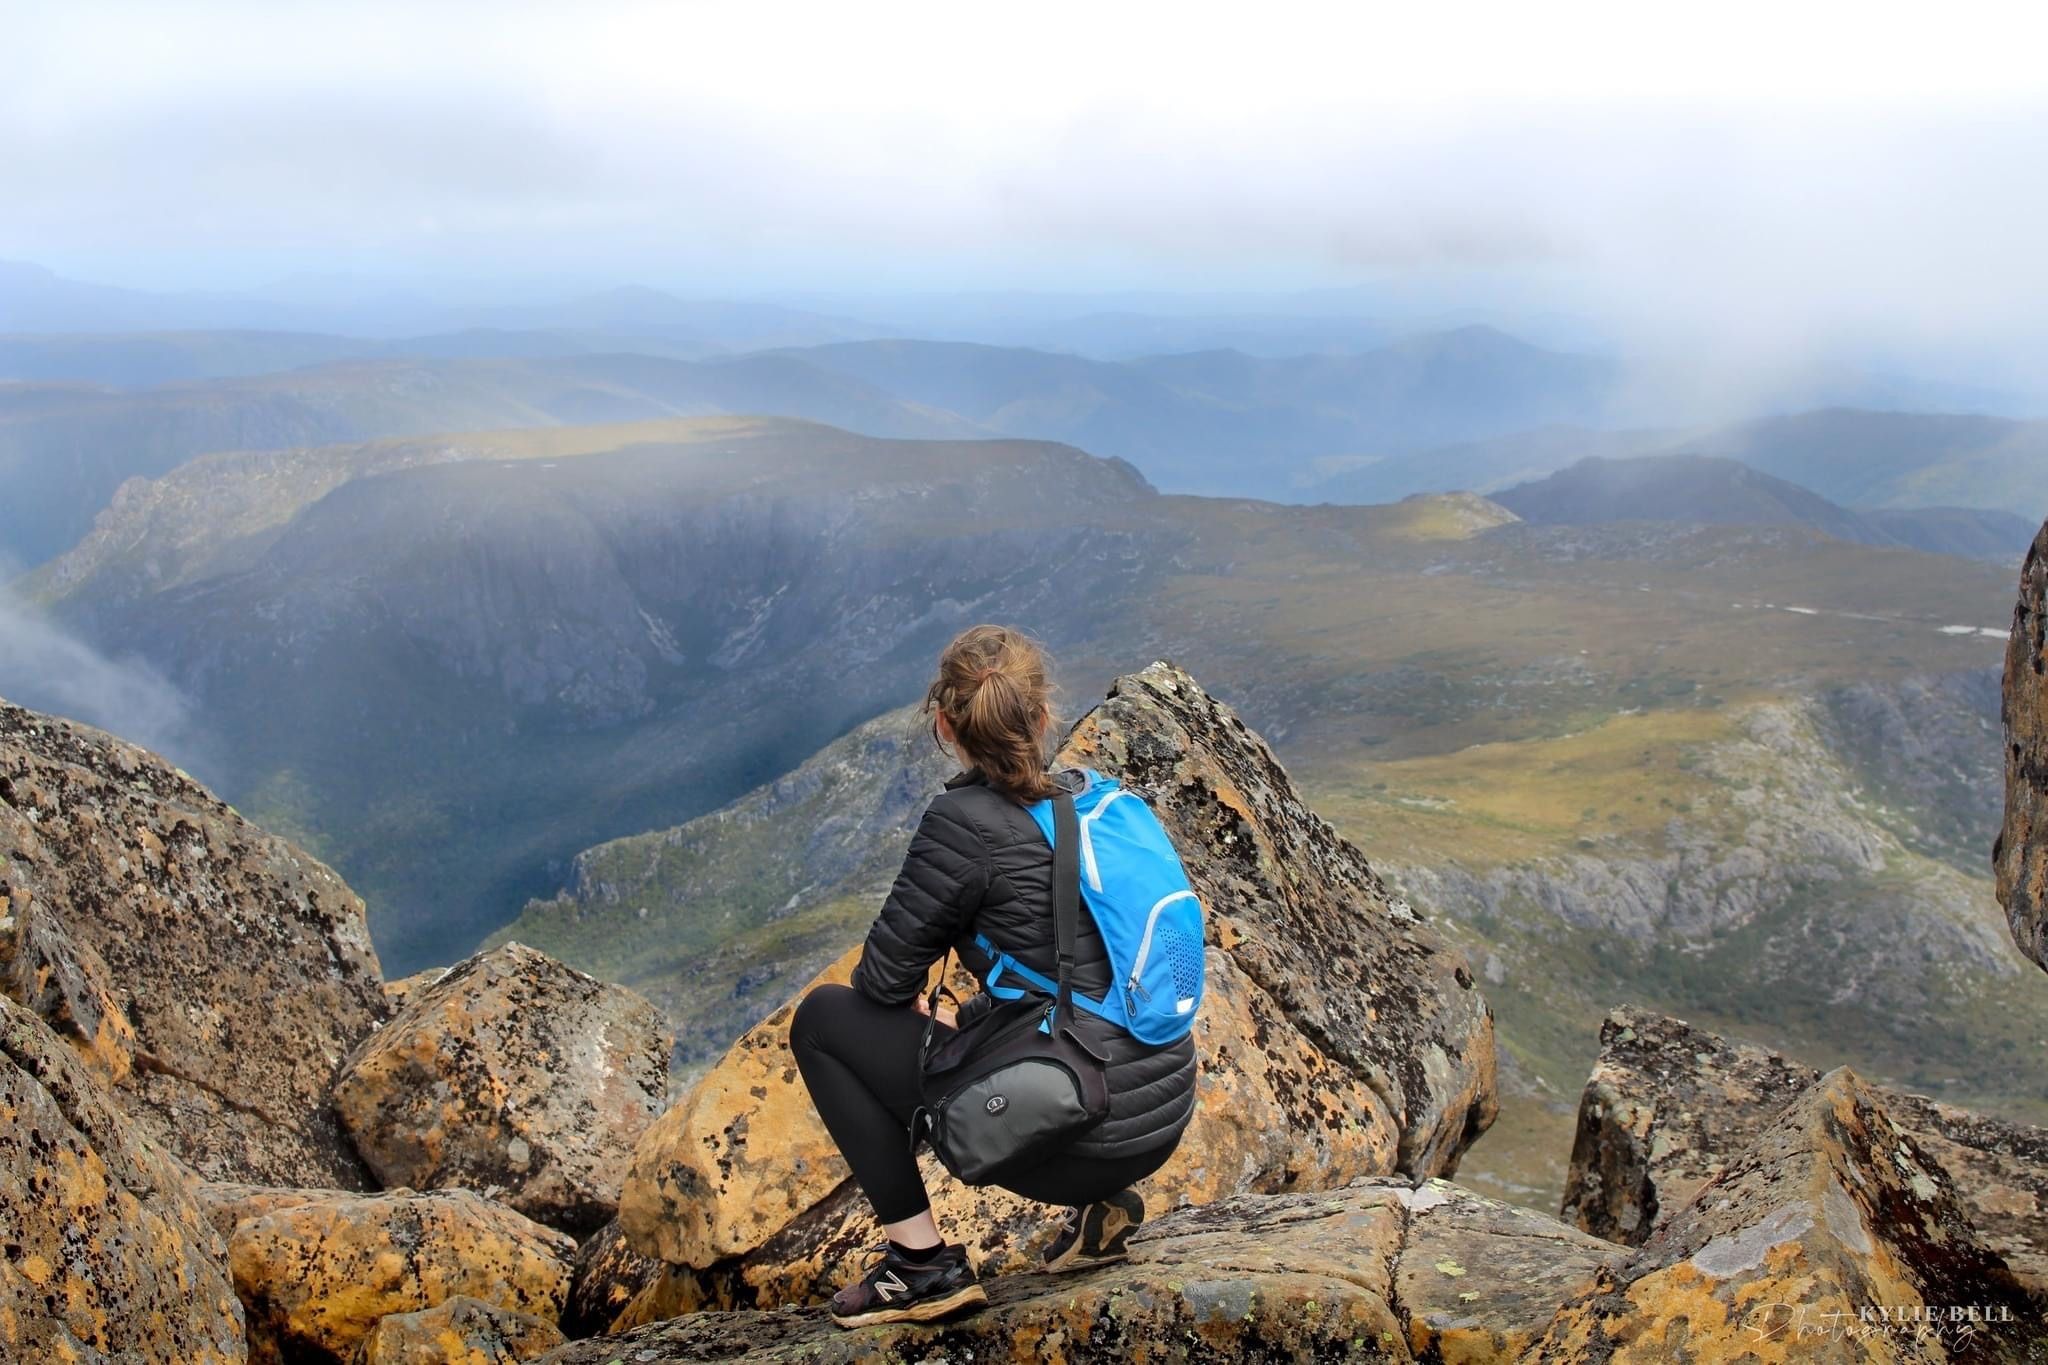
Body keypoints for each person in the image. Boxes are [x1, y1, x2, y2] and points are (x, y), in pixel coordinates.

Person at [788, 624, 1199, 1328]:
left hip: (1082, 1131)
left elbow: (880, 983)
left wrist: (939, 999)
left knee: (821, 1022)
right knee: (1049, 1009)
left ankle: (920, 1265)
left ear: (945, 726)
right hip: (1161, 1115)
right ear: (1043, 716)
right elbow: (1068, 974)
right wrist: (973, 1012)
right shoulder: (1088, 798)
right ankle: (1105, 1211)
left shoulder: (962, 824)